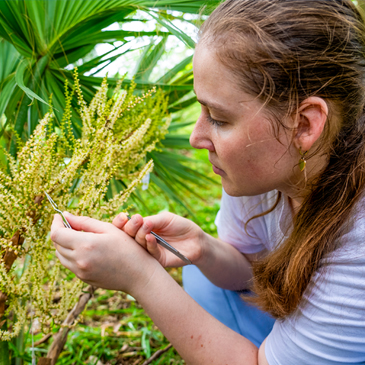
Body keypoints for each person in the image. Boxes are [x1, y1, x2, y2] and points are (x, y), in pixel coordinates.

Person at [50, 0, 365, 363]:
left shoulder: (356, 238)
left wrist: (141, 278)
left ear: (305, 125)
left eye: (218, 118)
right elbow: (249, 270)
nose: (197, 138)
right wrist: (201, 247)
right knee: (201, 274)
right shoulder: (269, 165)